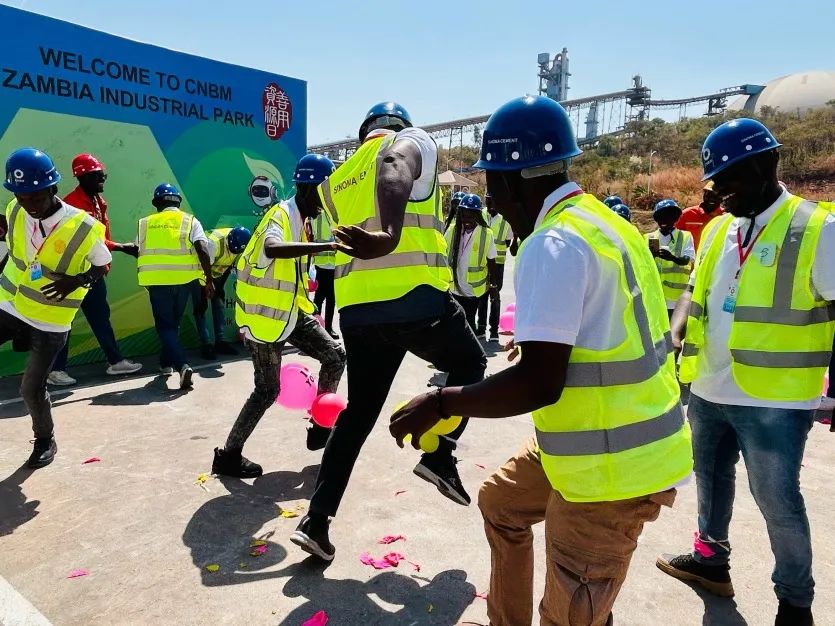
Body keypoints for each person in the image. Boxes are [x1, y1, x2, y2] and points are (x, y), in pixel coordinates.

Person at [390, 96, 693, 626]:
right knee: (501, 504)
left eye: (492, 185)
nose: (493, 203)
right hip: (598, 443)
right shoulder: (605, 222)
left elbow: (538, 384)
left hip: (610, 467)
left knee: (570, 614)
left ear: (510, 181)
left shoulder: (553, 242)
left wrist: (440, 401)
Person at [655, 118, 835, 626]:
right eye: (715, 183)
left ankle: (795, 603)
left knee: (777, 501)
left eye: (728, 180)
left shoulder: (817, 229)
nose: (719, 193)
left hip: (775, 398)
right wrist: (674, 331)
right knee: (710, 479)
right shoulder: (719, 229)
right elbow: (693, 290)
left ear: (764, 166)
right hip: (709, 386)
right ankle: (711, 562)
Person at [290, 102, 486, 562]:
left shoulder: (337, 178)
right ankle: (439, 455)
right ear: (397, 128)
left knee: (357, 416)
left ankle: (316, 522)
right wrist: (391, 233)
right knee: (471, 363)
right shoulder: (408, 141)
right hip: (414, 298)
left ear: (364, 132)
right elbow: (397, 164)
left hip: (359, 312)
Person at [211, 154, 346, 477]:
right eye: (325, 193)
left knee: (335, 355)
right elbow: (272, 247)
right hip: (264, 318)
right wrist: (325, 247)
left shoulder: (303, 219)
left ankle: (320, 425)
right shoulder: (281, 214)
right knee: (267, 390)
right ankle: (228, 456)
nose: (327, 202)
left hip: (289, 312)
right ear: (309, 189)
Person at [0, 148, 111, 468]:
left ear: (53, 188)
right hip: (10, 303)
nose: (28, 204)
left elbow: (102, 264)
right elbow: (17, 253)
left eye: (35, 196)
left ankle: (45, 440)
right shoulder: (15, 209)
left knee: (31, 389)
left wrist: (76, 281)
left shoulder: (82, 226)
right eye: (21, 196)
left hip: (50, 318)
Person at [47, 153, 142, 385]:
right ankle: (55, 371)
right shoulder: (72, 206)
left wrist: (109, 256)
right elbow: (89, 242)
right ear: (83, 177)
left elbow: (100, 237)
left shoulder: (99, 202)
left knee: (101, 319)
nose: (103, 179)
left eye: (103, 174)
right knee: (64, 322)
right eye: (98, 175)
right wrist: (122, 247)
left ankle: (115, 362)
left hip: (93, 273)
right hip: (72, 275)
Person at [134, 183, 213, 389]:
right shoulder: (190, 221)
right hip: (184, 281)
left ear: (156, 203)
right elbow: (202, 248)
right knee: (173, 324)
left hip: (157, 282)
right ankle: (165, 362)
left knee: (166, 327)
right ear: (178, 202)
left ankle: (182, 365)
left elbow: (137, 249)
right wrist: (209, 280)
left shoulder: (145, 223)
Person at [193, 226, 252, 359]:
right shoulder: (213, 243)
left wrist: (219, 287)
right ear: (228, 240)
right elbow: (203, 264)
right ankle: (206, 345)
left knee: (219, 303)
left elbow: (229, 266)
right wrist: (208, 284)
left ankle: (221, 341)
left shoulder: (241, 245)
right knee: (201, 307)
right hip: (199, 272)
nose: (233, 252)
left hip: (216, 274)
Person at [446, 193, 496, 332]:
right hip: (454, 286)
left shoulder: (486, 234)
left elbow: (491, 261)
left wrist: (493, 285)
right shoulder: (452, 230)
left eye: (471, 216)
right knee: (456, 323)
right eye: (464, 216)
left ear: (477, 215)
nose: (467, 220)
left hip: (472, 290)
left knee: (469, 321)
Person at [646, 199, 695, 316]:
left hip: (676, 299)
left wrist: (672, 258)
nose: (664, 220)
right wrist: (651, 256)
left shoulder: (685, 236)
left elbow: (688, 259)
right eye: (660, 217)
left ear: (675, 218)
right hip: (654, 296)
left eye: (668, 216)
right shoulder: (648, 237)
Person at [476, 193, 513, 340]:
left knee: (495, 296)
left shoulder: (505, 218)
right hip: (482, 262)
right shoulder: (480, 214)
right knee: (482, 296)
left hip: (497, 264)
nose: (490, 204)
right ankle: (481, 328)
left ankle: (493, 332)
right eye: (487, 201)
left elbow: (508, 241)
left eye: (492, 201)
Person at [309, 185, 339, 340]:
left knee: (330, 298)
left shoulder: (333, 214)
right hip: (322, 263)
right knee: (320, 297)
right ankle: (318, 328)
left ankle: (326, 328)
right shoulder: (317, 215)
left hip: (333, 263)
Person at [676, 181, 724, 249]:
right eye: (708, 195)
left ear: (722, 198)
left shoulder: (726, 217)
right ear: (704, 196)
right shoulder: (686, 214)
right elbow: (675, 238)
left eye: (716, 196)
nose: (711, 198)